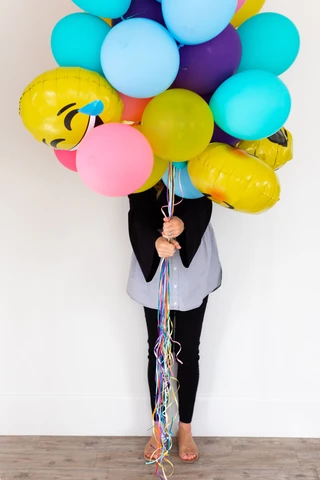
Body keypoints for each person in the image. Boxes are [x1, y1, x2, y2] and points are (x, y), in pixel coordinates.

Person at [127, 180, 222, 463]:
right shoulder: (143, 158)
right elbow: (136, 208)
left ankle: (185, 428)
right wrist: (153, 241)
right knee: (158, 351)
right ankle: (158, 428)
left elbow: (206, 196)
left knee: (188, 351)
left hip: (193, 265)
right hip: (155, 264)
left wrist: (184, 223)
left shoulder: (197, 154)